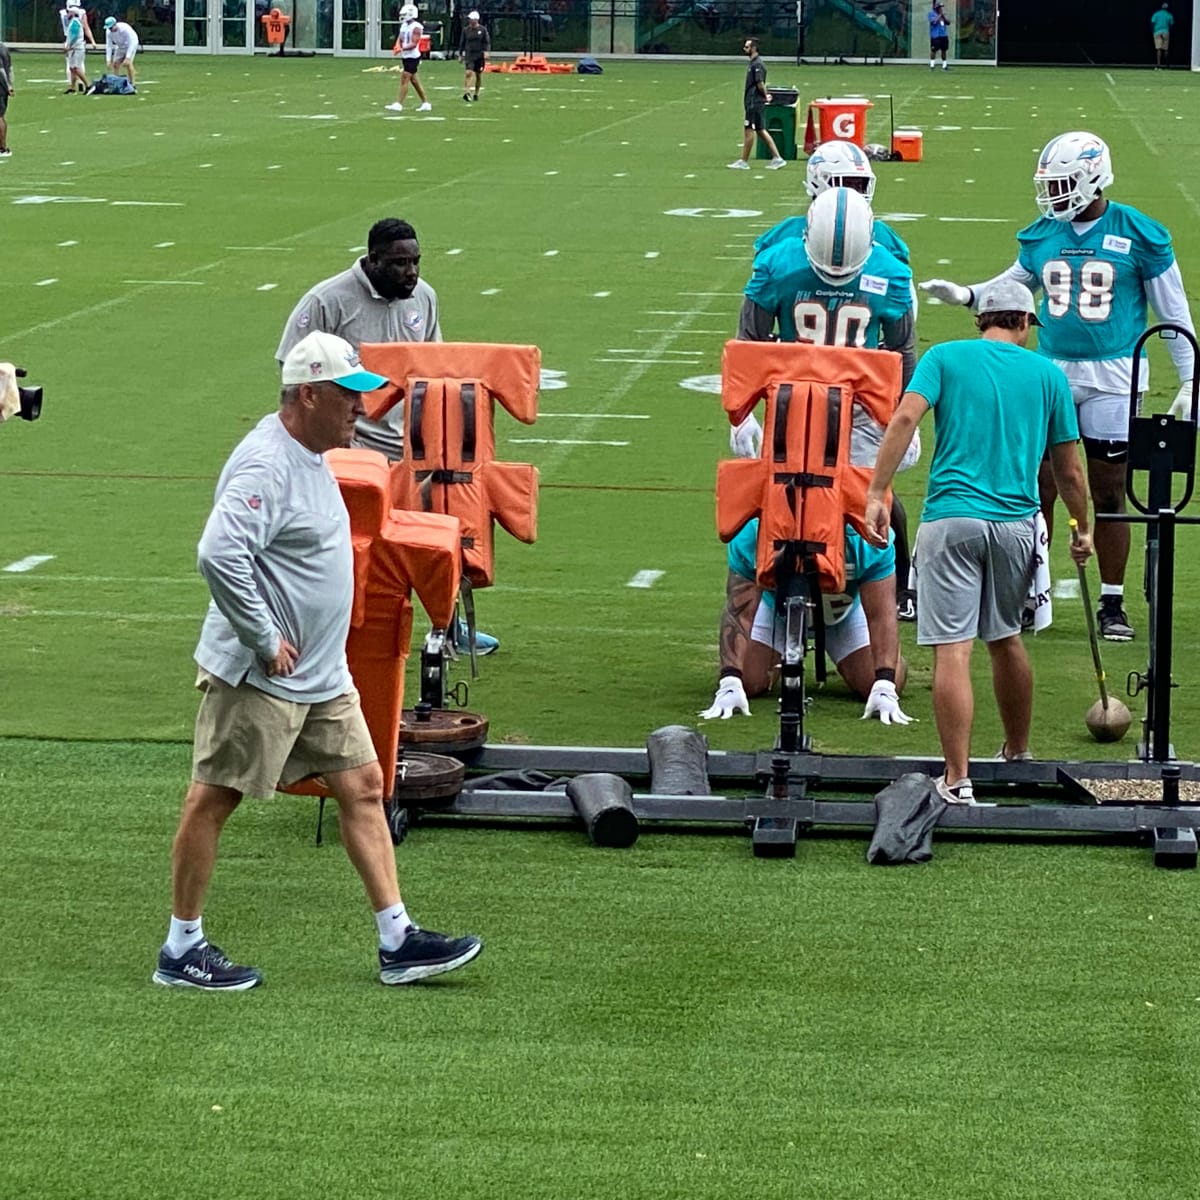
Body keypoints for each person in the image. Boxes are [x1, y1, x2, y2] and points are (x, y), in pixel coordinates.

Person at [153, 330, 484, 991]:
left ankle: (398, 939)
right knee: (213, 798)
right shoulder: (267, 464)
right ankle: (181, 947)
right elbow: (219, 554)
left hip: (321, 676)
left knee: (363, 786)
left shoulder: (309, 452)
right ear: (308, 394)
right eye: (347, 396)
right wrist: (262, 637)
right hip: (263, 673)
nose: (361, 409)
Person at [920, 132, 1196, 642]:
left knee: (1110, 489)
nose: (1054, 194)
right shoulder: (1044, 234)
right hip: (1049, 371)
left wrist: (1189, 377)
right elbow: (1012, 285)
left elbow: (1172, 311)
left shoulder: (1139, 232)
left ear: (1093, 177)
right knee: (1040, 485)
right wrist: (967, 295)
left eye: (1063, 182)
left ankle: (1112, 602)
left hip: (1114, 374)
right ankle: (1030, 592)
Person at [864, 280, 1093, 805]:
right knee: (1006, 637)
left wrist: (877, 491)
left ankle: (958, 776)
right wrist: (1082, 528)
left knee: (954, 649)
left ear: (983, 319)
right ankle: (1017, 751)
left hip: (950, 521)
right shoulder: (1047, 376)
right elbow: (1069, 469)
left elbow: (903, 418)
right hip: (1015, 525)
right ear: (1023, 323)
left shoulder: (945, 357)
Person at [276, 217, 498, 656]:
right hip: (353, 447)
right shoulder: (328, 301)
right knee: (349, 542)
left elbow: (436, 370)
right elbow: (292, 368)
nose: (410, 273)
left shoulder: (424, 298)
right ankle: (340, 624)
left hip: (413, 447)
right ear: (372, 260)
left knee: (435, 534)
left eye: (415, 262)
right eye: (399, 264)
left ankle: (448, 626)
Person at [735, 186, 921, 619]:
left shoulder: (889, 274)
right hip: (791, 404)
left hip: (860, 406)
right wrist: (741, 413)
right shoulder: (778, 265)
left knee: (869, 495)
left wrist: (903, 413)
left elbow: (902, 353)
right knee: (783, 499)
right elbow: (749, 344)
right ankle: (777, 583)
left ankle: (893, 583)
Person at [700, 519, 912, 725]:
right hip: (776, 609)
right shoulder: (756, 531)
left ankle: (890, 660)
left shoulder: (865, 535)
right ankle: (777, 656)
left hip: (843, 613)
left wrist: (885, 681)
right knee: (749, 681)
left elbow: (881, 615)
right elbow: (738, 611)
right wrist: (730, 677)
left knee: (877, 682)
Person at [728, 38, 786, 171]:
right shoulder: (753, 63)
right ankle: (777, 158)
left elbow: (760, 83)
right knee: (761, 130)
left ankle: (744, 161)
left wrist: (765, 95)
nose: (744, 49)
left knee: (749, 130)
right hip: (753, 102)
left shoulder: (757, 65)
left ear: (754, 48)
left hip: (754, 103)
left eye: (747, 47)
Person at [387, 3, 431, 113]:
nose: (402, 16)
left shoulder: (416, 27)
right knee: (414, 81)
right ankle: (425, 103)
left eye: (404, 14)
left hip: (413, 57)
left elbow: (414, 44)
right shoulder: (404, 25)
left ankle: (399, 104)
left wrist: (401, 49)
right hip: (406, 56)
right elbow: (400, 37)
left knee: (404, 78)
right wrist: (397, 45)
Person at [460, 10, 488, 102]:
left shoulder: (482, 30)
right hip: (469, 55)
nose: (470, 21)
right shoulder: (466, 30)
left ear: (476, 20)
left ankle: (476, 93)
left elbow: (486, 42)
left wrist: (486, 52)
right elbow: (462, 42)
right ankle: (467, 92)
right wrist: (460, 54)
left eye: (472, 19)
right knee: (468, 73)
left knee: (478, 75)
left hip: (479, 55)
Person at [63, 6, 93, 95]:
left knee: (76, 68)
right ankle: (72, 88)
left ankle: (88, 85)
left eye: (69, 12)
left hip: (77, 48)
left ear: (72, 13)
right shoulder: (74, 22)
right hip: (74, 48)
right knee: (72, 68)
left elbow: (74, 35)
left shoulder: (75, 22)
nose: (67, 14)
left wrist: (69, 45)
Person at [103, 16, 138, 89]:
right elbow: (109, 45)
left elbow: (132, 42)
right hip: (120, 46)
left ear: (115, 24)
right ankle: (116, 83)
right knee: (115, 64)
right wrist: (108, 60)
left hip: (131, 44)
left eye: (111, 27)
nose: (110, 29)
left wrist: (128, 57)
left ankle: (132, 83)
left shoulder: (125, 29)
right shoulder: (108, 32)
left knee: (128, 64)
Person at [928, 1, 949, 69]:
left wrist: (944, 16)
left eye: (941, 7)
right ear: (936, 8)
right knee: (934, 50)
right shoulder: (931, 13)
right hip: (935, 35)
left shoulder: (943, 14)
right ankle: (932, 65)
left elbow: (948, 22)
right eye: (940, 7)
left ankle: (944, 65)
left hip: (943, 35)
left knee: (944, 50)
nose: (941, 9)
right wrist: (939, 15)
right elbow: (933, 22)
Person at [1152, 3, 1174, 68]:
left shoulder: (1156, 14)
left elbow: (1152, 22)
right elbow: (1171, 24)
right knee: (1166, 49)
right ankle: (1166, 64)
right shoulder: (1169, 15)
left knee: (1158, 49)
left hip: (1157, 32)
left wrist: (1153, 31)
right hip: (1165, 32)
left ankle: (1158, 64)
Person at [0, 41, 12, 157]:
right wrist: (10, 84)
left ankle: (2, 147)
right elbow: (10, 68)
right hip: (4, 86)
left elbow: (1, 70)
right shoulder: (4, 47)